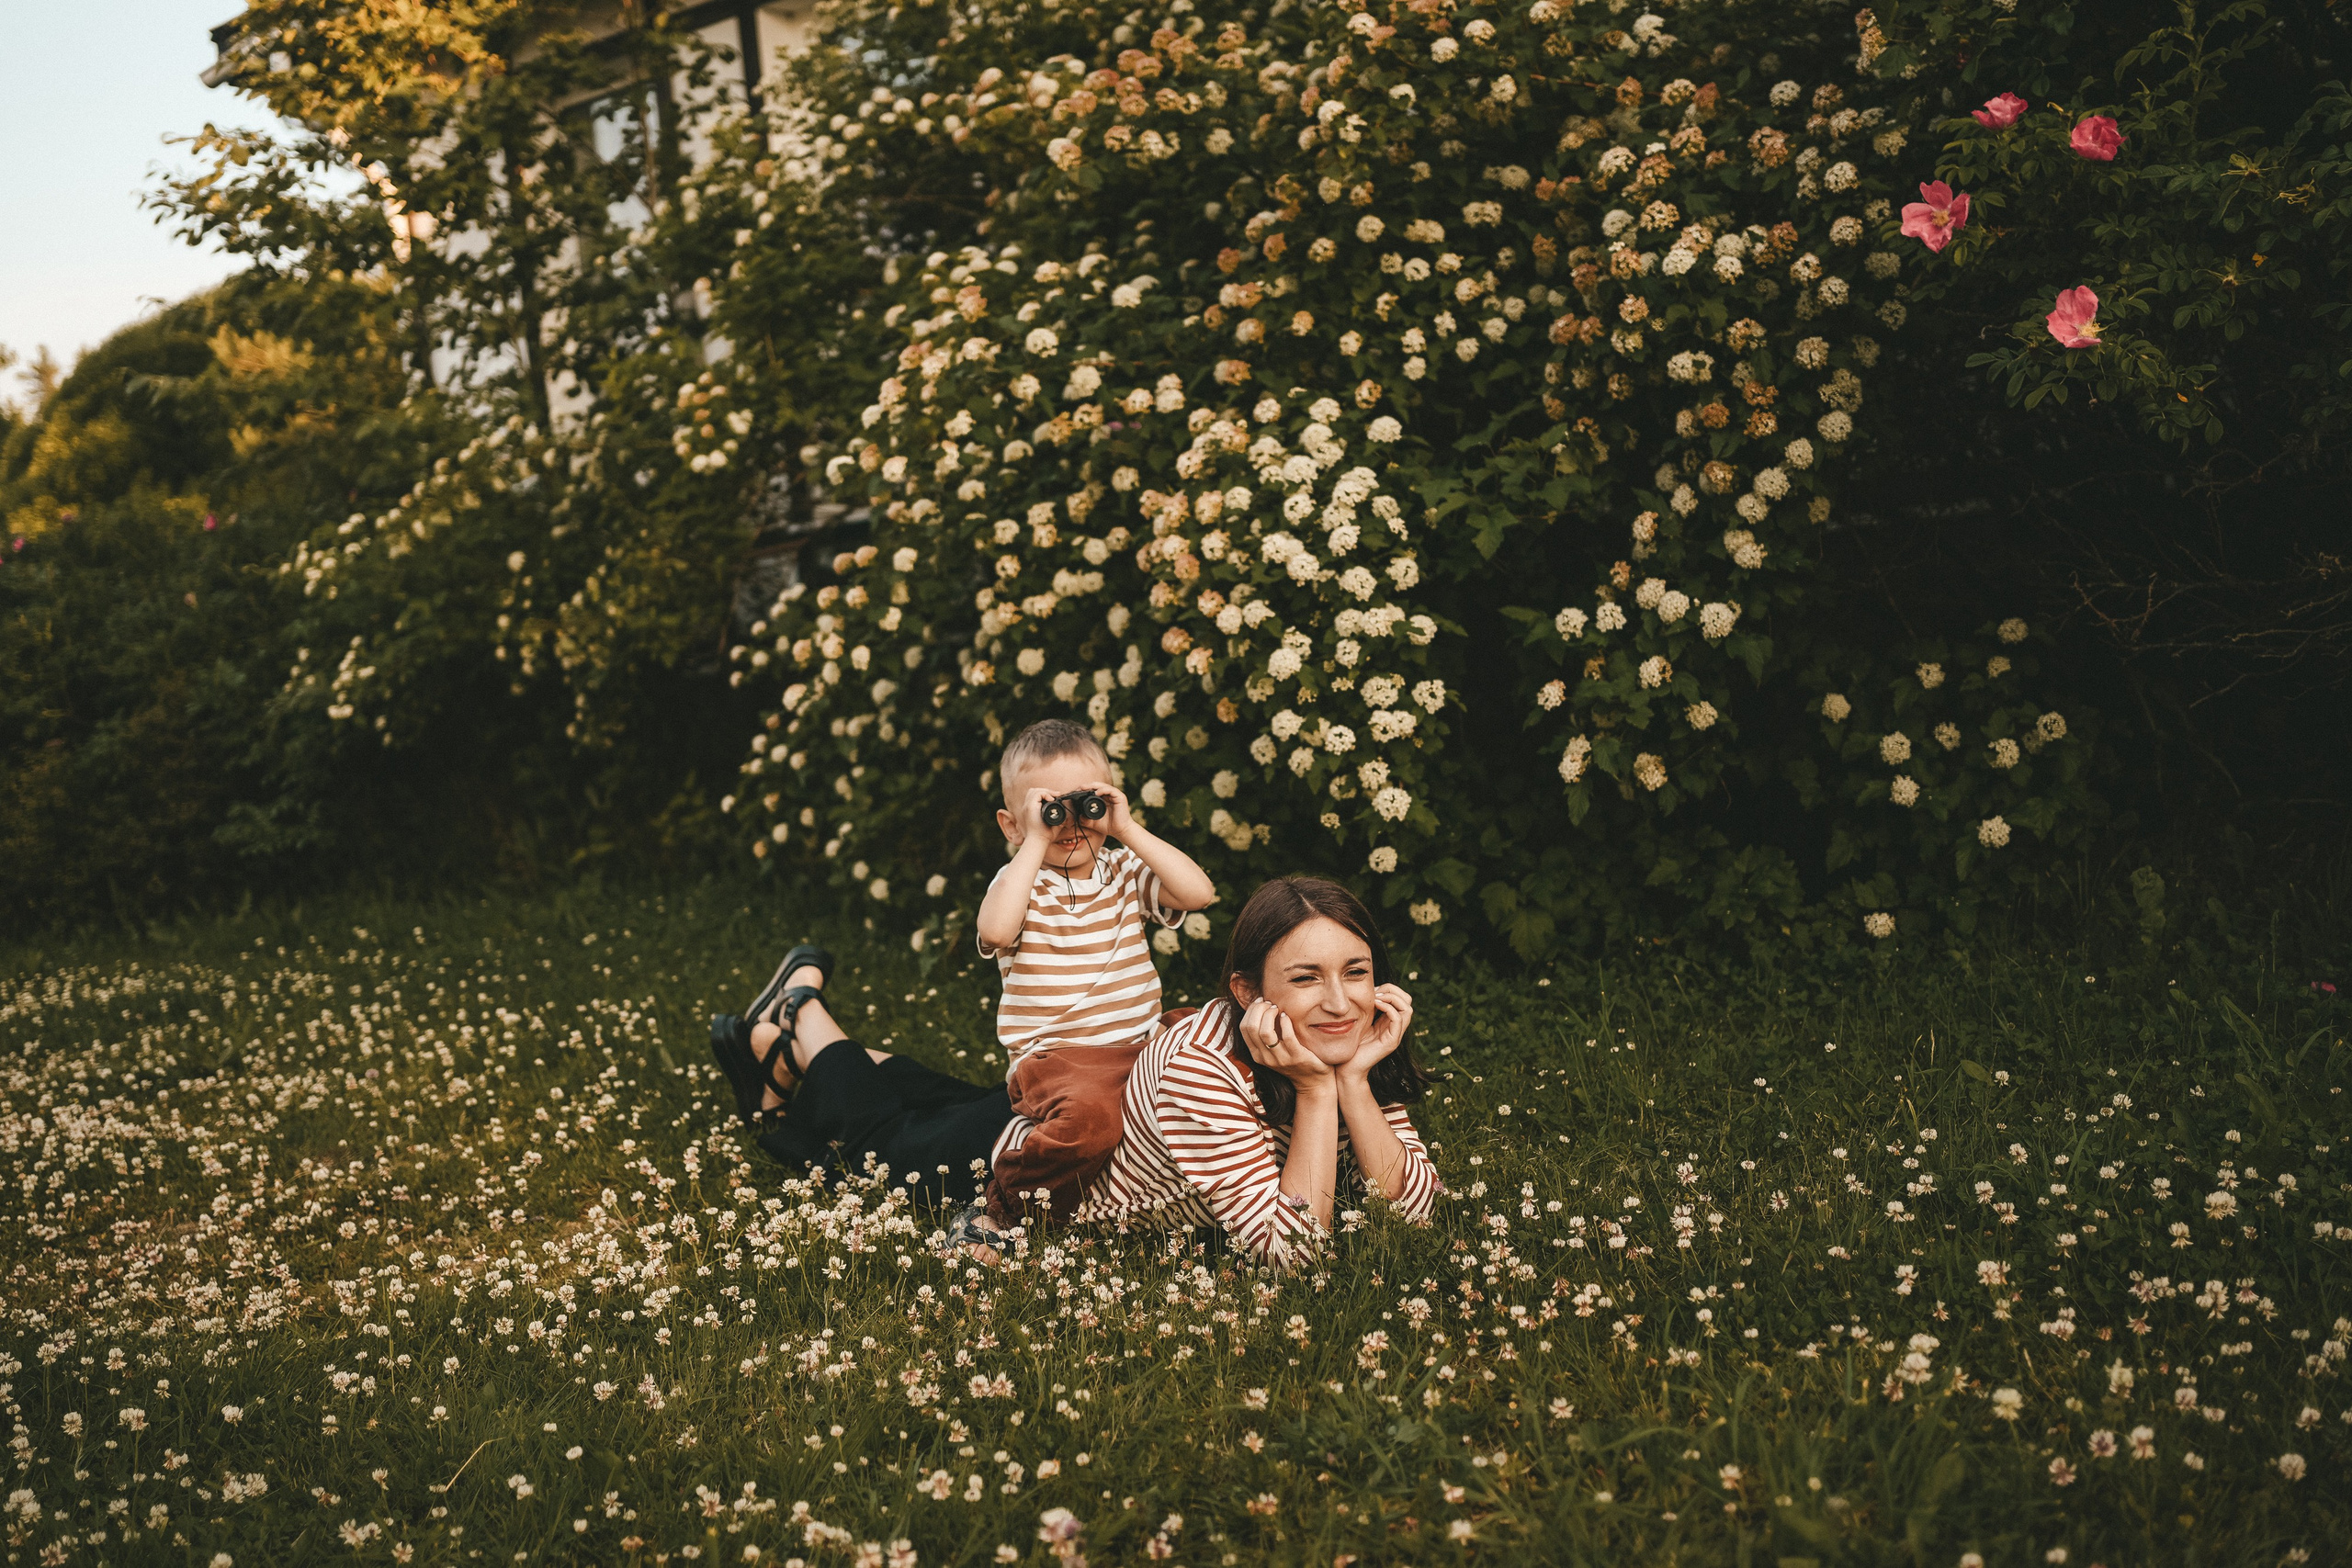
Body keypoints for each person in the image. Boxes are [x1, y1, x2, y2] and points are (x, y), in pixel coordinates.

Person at [709, 875, 1440, 1269]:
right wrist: (1318, 1091)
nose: (1342, 1003)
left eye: (1358, 971)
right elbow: (1297, 1251)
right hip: (1030, 1164)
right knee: (883, 1136)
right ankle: (802, 1015)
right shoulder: (1204, 1069)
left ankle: (809, 1041)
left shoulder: (1348, 1046)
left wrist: (1352, 1083)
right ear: (1248, 991)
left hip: (1082, 1110)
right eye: (1308, 978)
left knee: (944, 1101)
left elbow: (1415, 1213)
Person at [972, 718, 1216, 1227]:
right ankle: (1003, 1206)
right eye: (1049, 810)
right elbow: (995, 932)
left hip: (1140, 1046)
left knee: (1214, 1033)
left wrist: (1125, 828)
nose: (1069, 823)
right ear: (1012, 824)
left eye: (1083, 805)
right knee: (1092, 1124)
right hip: (1059, 1060)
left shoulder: (1124, 870)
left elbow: (1198, 894)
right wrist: (1034, 842)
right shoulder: (1019, 883)